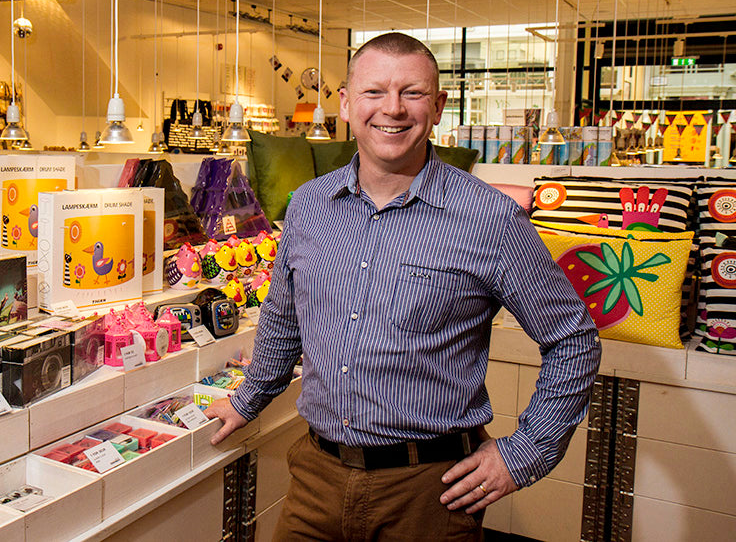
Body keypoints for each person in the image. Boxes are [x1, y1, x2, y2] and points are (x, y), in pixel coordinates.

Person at [205, 32, 601, 540]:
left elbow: (572, 339)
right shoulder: (307, 206)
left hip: (429, 492)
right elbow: (284, 322)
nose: (391, 109)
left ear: (437, 107)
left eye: (411, 93)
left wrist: (525, 452)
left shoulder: (489, 218)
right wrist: (247, 400)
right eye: (374, 92)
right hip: (314, 480)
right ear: (346, 104)